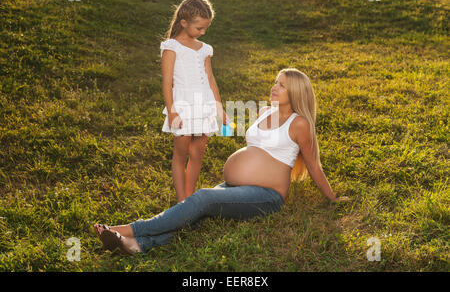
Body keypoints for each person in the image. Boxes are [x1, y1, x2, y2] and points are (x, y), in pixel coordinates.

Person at [95, 68, 350, 255]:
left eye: (281, 85)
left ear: (295, 91)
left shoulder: (300, 123)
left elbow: (314, 165)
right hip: (238, 187)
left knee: (202, 199)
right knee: (196, 211)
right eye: (275, 82)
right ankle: (137, 245)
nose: (274, 87)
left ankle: (127, 229)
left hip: (268, 196)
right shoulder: (264, 111)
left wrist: (332, 198)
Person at [160, 0, 229, 202]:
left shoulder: (204, 49)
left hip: (204, 104)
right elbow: (167, 82)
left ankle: (190, 199)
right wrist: (172, 111)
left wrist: (219, 107)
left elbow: (210, 78)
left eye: (206, 28)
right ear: (183, 22)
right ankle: (181, 201)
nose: (203, 32)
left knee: (198, 153)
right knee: (181, 154)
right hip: (183, 106)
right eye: (199, 28)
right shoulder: (172, 47)